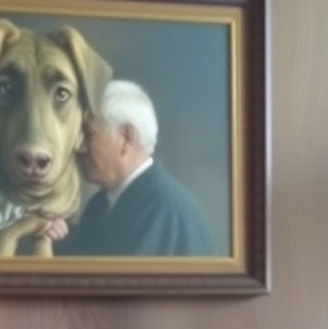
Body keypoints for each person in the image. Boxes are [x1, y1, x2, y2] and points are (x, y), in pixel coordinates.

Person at [55, 80, 216, 257]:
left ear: (126, 138)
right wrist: (54, 230)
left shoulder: (165, 210)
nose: (79, 146)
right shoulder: (99, 205)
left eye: (89, 134)